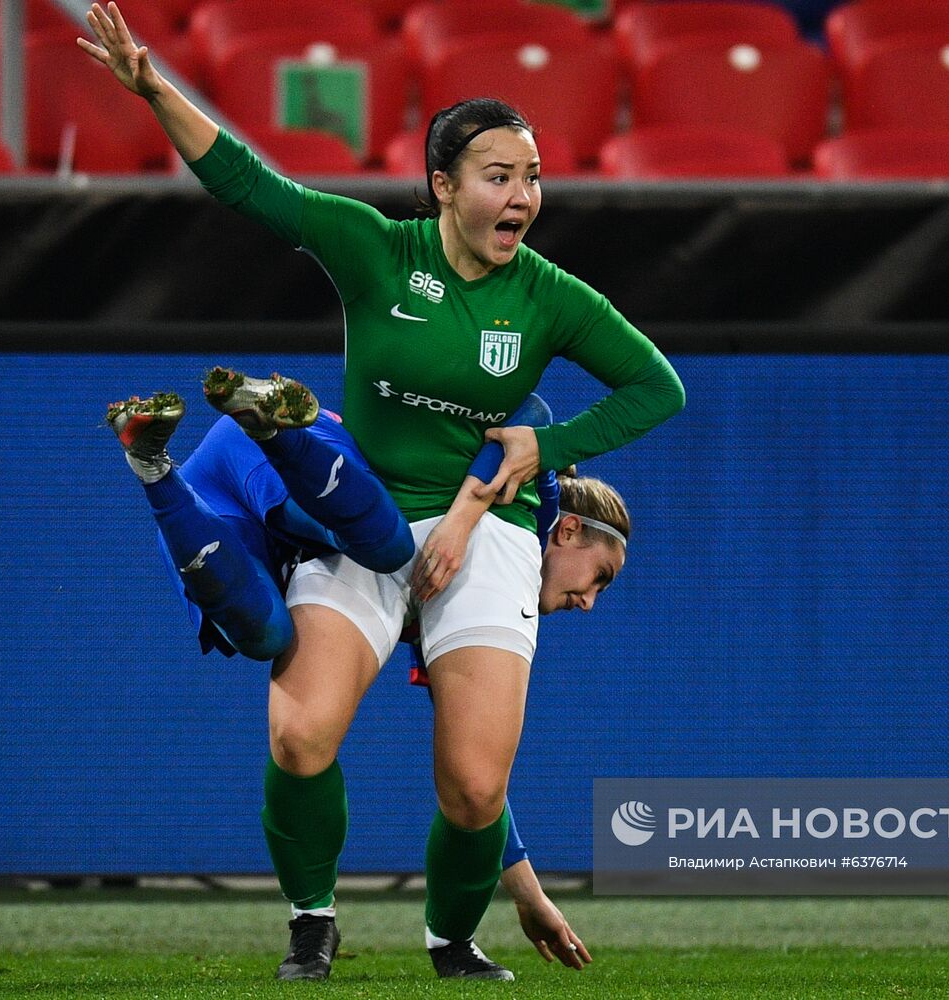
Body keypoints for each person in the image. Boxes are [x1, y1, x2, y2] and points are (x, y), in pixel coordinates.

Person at [81, 2, 683, 981]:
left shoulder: (550, 298)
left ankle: (451, 942)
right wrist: (156, 89)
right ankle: (311, 920)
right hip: (355, 511)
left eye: (533, 175)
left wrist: (543, 443)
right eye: (500, 175)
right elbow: (251, 186)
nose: (523, 193)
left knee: (476, 787)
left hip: (476, 533)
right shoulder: (376, 251)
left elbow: (659, 386)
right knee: (300, 730)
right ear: (444, 186)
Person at [107, 383, 612, 977]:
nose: (589, 601)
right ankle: (312, 923)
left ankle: (153, 468)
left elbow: (476, 779)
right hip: (310, 489)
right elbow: (532, 406)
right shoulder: (534, 494)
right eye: (601, 575)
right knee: (377, 552)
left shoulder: (507, 570)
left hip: (254, 517)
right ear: (570, 531)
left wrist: (527, 892)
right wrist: (462, 519)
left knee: (266, 635)